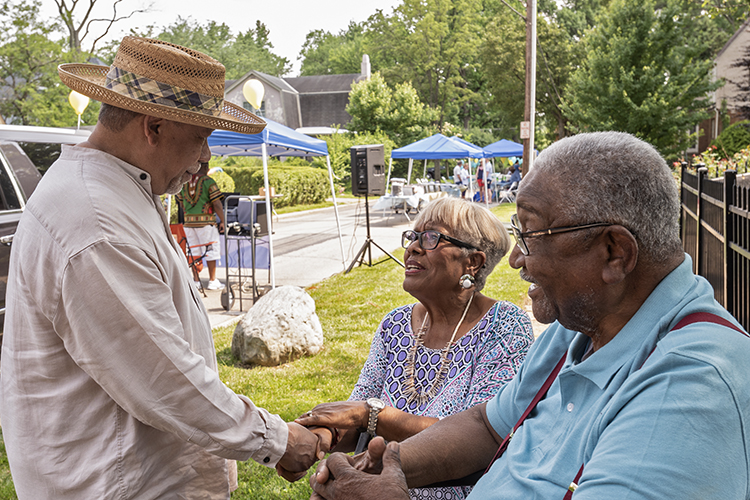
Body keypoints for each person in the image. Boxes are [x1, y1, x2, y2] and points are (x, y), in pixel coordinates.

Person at [309, 131, 750, 500]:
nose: (517, 258)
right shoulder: (582, 326)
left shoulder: (692, 382)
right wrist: (389, 464)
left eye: (532, 233)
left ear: (614, 252)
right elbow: (487, 426)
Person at [0, 36, 323, 499]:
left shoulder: (120, 195)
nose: (206, 155)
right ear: (152, 127)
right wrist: (278, 441)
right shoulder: (96, 222)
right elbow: (163, 379)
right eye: (200, 136)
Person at [297, 196, 534, 500]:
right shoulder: (394, 324)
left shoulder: (504, 326)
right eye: (413, 236)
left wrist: (373, 415)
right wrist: (315, 436)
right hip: (372, 485)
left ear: (472, 262)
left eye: (432, 237)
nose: (412, 247)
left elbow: (480, 437)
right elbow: (356, 414)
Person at [176, 161, 226, 290]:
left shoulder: (184, 182)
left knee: (193, 251)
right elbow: (217, 204)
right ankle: (212, 280)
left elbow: (181, 204)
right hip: (206, 223)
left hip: (189, 223)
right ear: (204, 167)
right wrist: (223, 221)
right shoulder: (208, 182)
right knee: (211, 251)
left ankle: (196, 281)